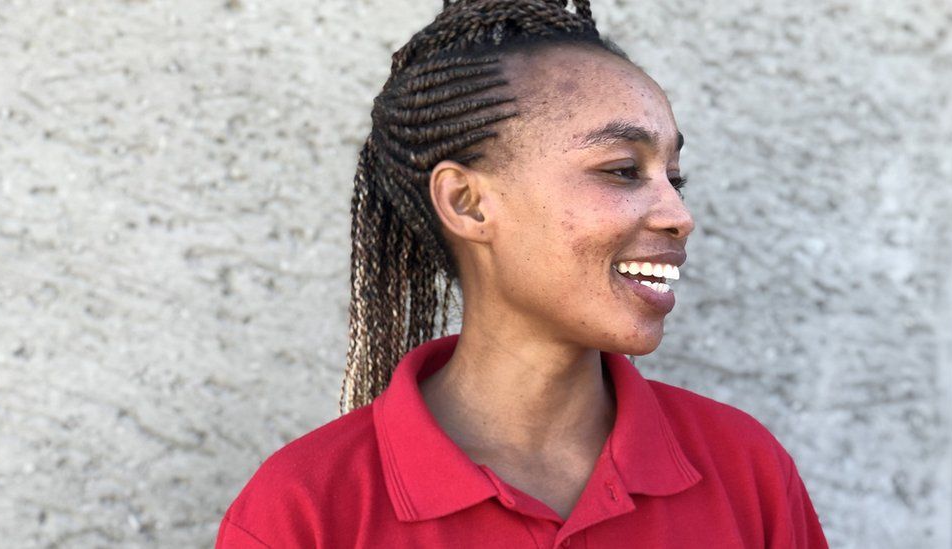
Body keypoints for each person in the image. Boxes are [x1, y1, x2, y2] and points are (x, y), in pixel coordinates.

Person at [216, 1, 829, 547]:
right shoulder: (307, 511)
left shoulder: (744, 471)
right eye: (621, 170)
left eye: (675, 177)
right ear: (468, 203)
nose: (679, 216)